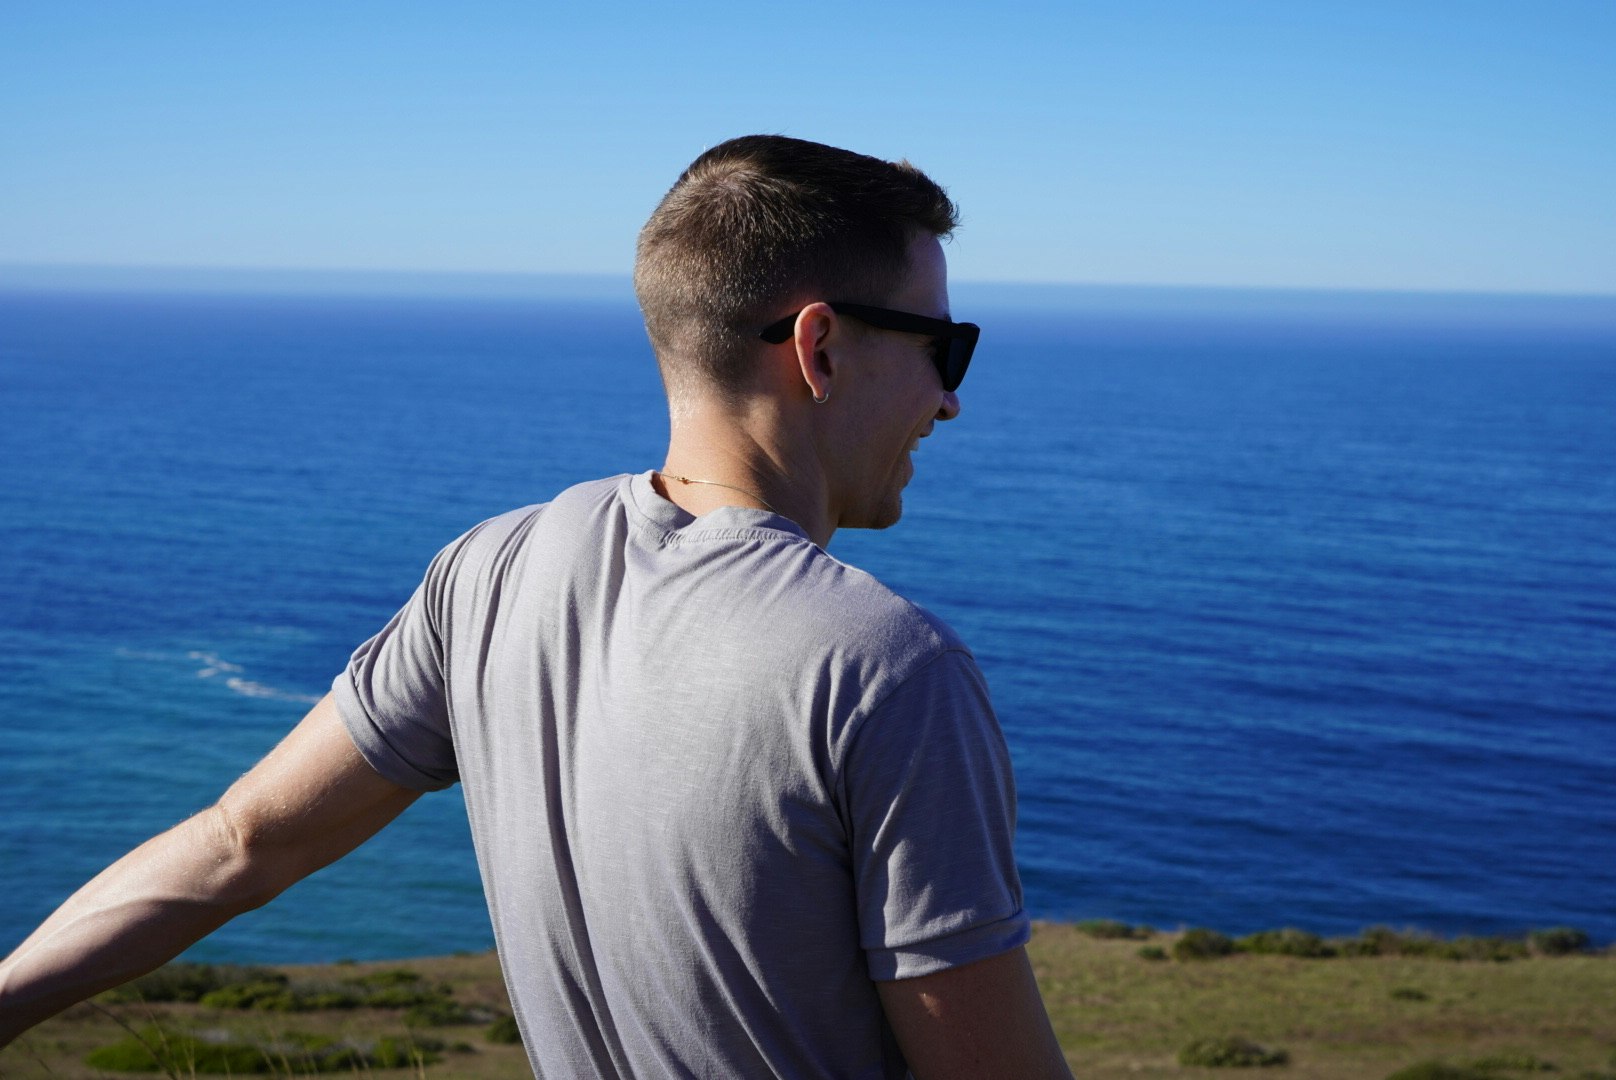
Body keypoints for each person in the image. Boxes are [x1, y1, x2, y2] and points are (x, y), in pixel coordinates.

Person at [0, 135, 1072, 1078]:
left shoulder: (490, 571)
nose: (949, 396)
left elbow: (239, 845)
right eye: (943, 345)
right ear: (819, 347)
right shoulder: (884, 665)